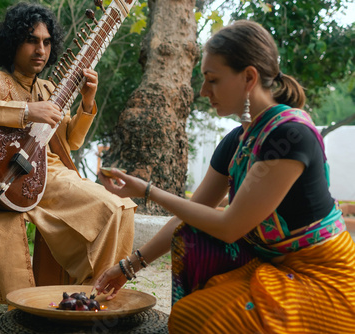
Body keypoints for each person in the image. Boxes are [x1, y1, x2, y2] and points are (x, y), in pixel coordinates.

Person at [94, 20, 355, 333]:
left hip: (324, 277)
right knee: (190, 311)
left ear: (248, 77)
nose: (203, 91)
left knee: (218, 323)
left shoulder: (290, 137)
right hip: (273, 267)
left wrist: (147, 191)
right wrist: (128, 266)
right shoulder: (238, 141)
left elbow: (229, 227)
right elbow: (186, 219)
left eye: (212, 80)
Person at [0, 2, 136, 305]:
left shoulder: (51, 89)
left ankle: (94, 292)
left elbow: (69, 142)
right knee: (113, 208)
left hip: (50, 174)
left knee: (120, 209)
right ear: (13, 43)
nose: (41, 50)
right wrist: (26, 110)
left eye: (47, 42)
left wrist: (87, 103)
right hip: (11, 176)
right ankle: (89, 296)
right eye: (32, 40)